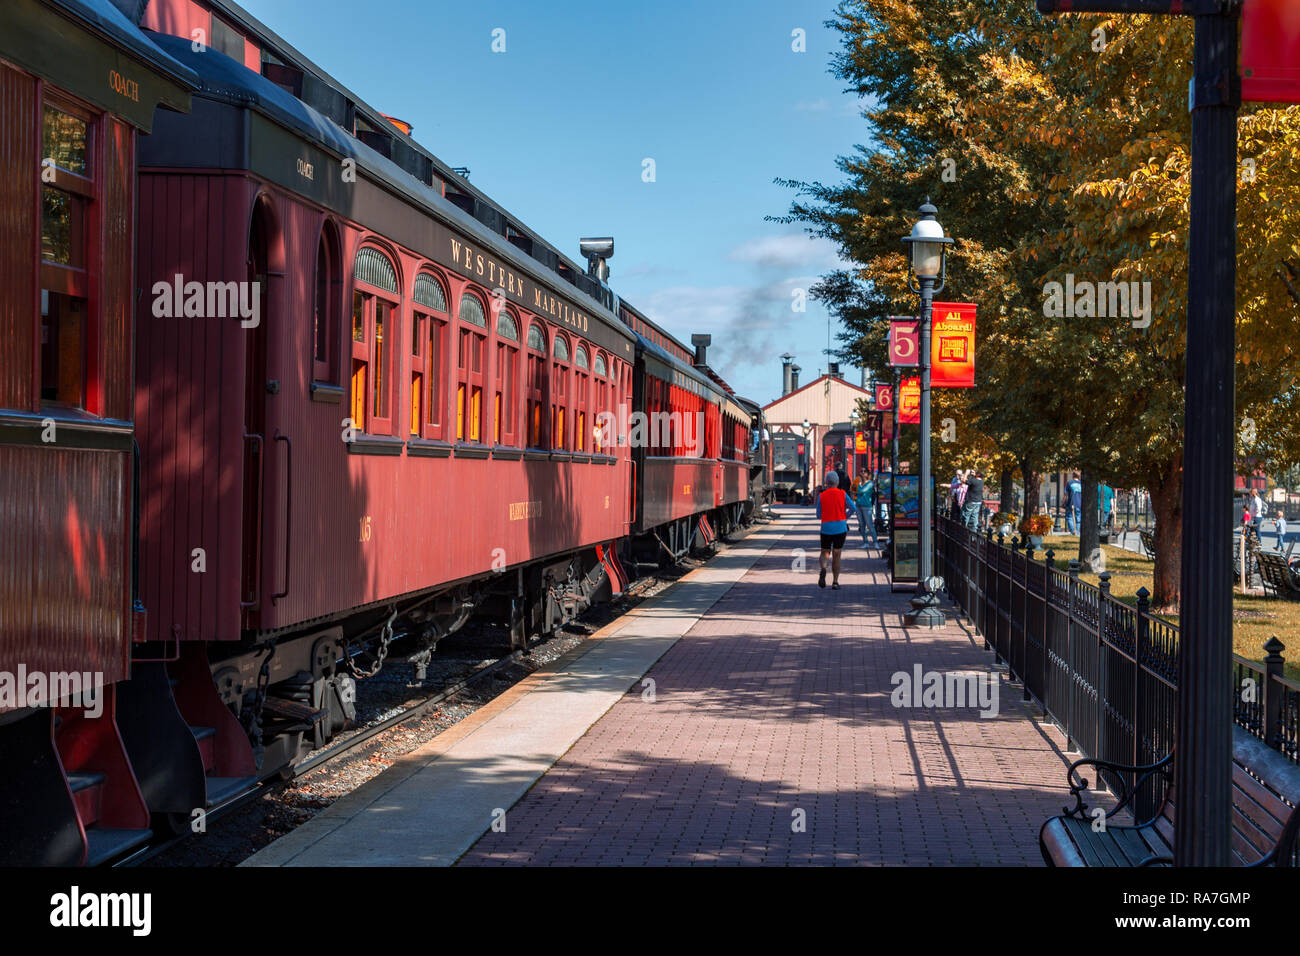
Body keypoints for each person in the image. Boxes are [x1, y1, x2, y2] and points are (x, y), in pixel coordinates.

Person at [815, 470, 857, 590]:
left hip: (826, 527)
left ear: (826, 483)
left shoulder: (821, 496)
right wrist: (845, 516)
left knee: (824, 551)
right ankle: (835, 582)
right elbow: (853, 508)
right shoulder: (843, 494)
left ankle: (823, 568)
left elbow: (818, 515)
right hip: (840, 527)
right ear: (837, 483)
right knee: (837, 554)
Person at [855, 474, 880, 554]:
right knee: (862, 525)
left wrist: (857, 488)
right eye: (861, 471)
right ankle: (865, 542)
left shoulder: (870, 484)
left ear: (868, 474)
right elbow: (852, 491)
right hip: (858, 505)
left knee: (869, 524)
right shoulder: (858, 482)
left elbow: (862, 491)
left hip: (867, 506)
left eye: (864, 471)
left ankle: (875, 542)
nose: (862, 473)